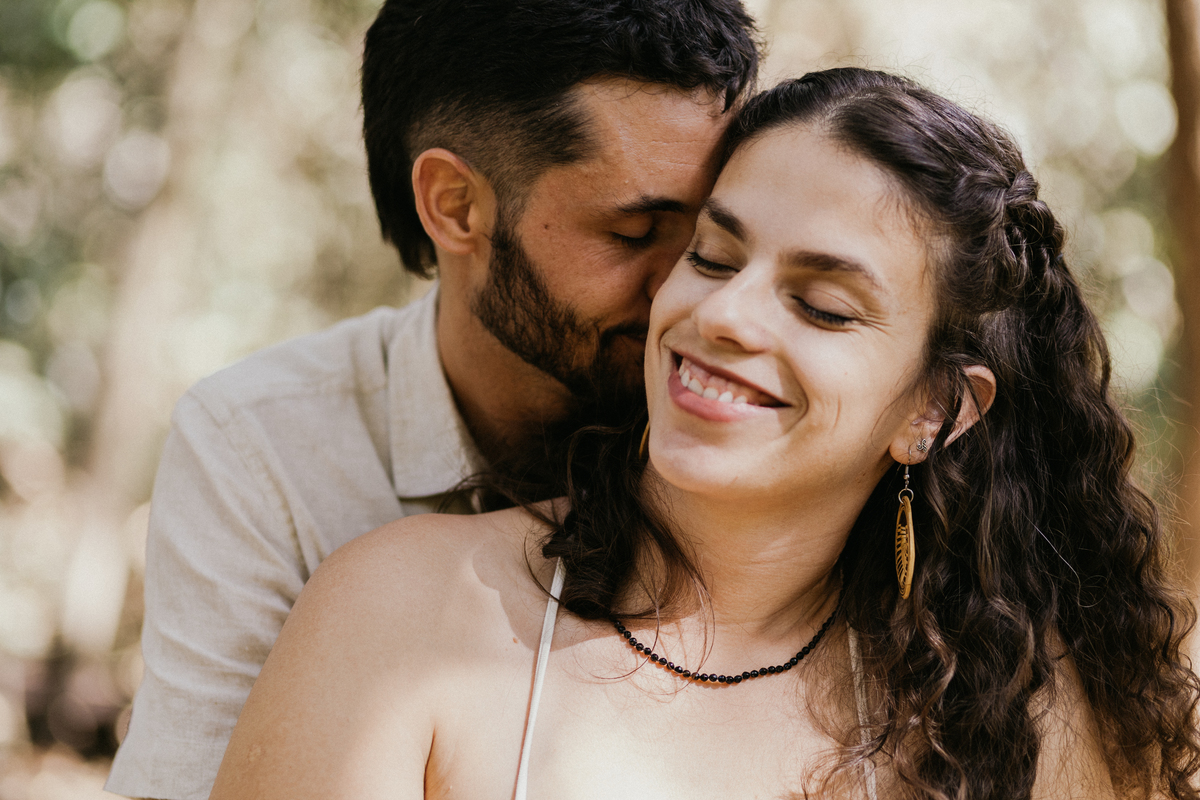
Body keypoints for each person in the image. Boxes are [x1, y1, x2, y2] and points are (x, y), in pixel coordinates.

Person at [208, 68, 1200, 800]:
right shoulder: (401, 612)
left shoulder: (1017, 717)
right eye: (714, 254)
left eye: (823, 305)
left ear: (931, 411)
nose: (726, 314)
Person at [104, 2, 760, 798]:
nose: (690, 298)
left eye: (711, 241)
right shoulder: (263, 447)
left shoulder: (748, 422)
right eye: (634, 233)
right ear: (455, 205)